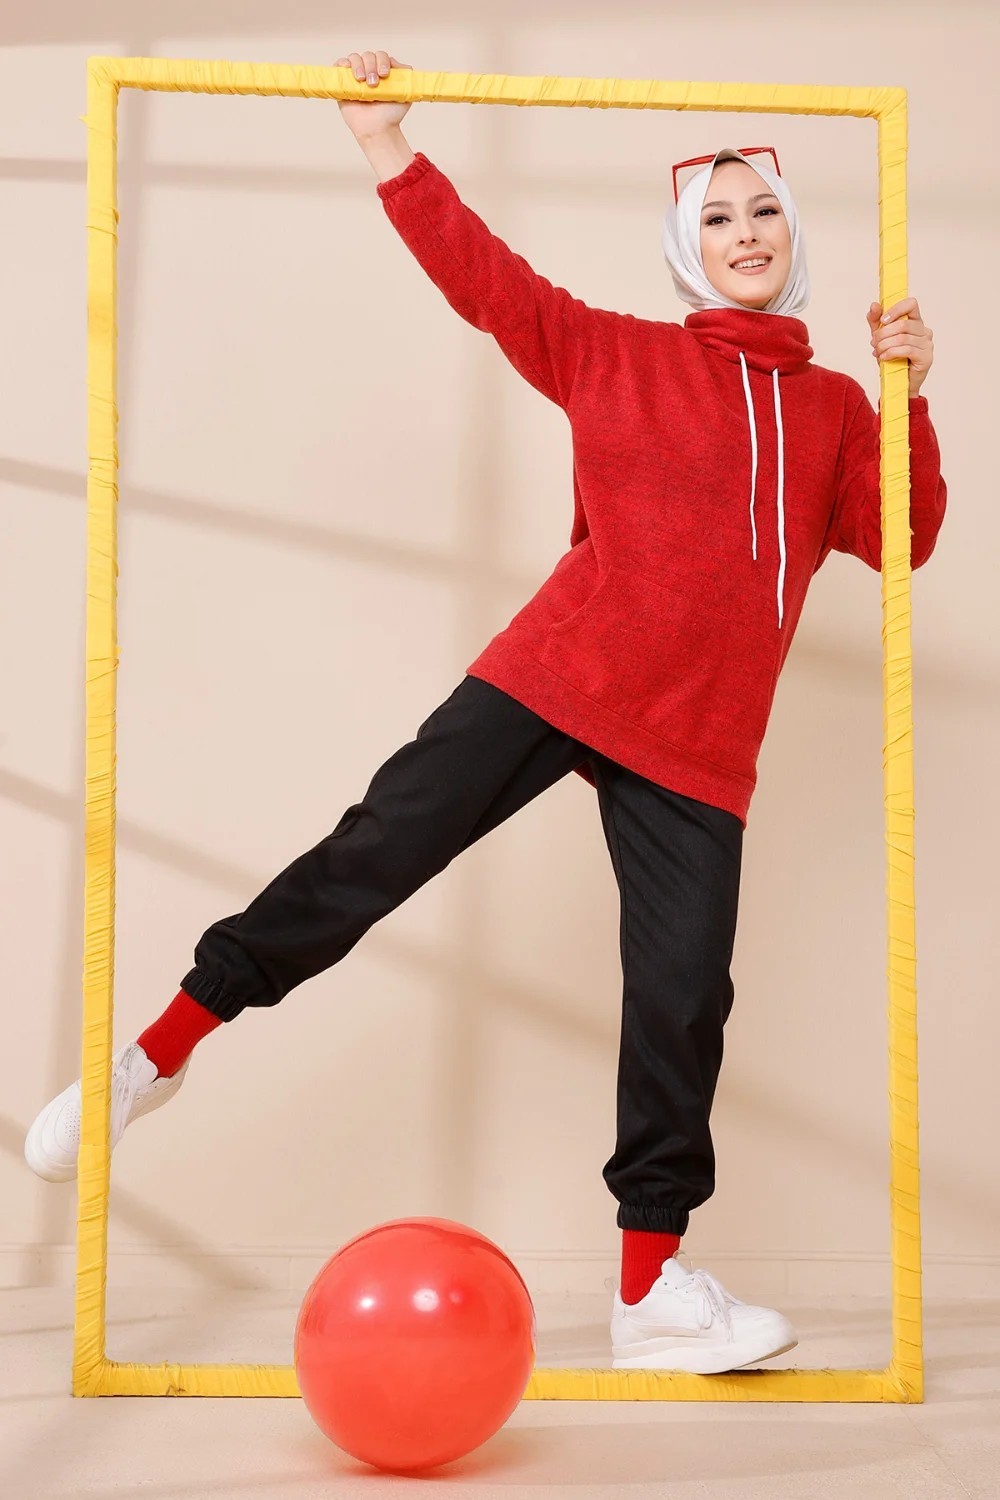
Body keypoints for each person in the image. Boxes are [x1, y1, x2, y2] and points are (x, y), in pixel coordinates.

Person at [25, 49, 945, 1375]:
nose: (745, 234)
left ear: (791, 237)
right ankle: (158, 1054)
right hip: (563, 671)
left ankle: (649, 1291)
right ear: (686, 250)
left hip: (700, 741)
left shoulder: (839, 408)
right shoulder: (619, 355)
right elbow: (487, 281)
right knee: (376, 849)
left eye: (764, 213)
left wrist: (915, 393)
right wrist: (386, 147)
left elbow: (900, 538)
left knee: (684, 998)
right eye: (716, 218)